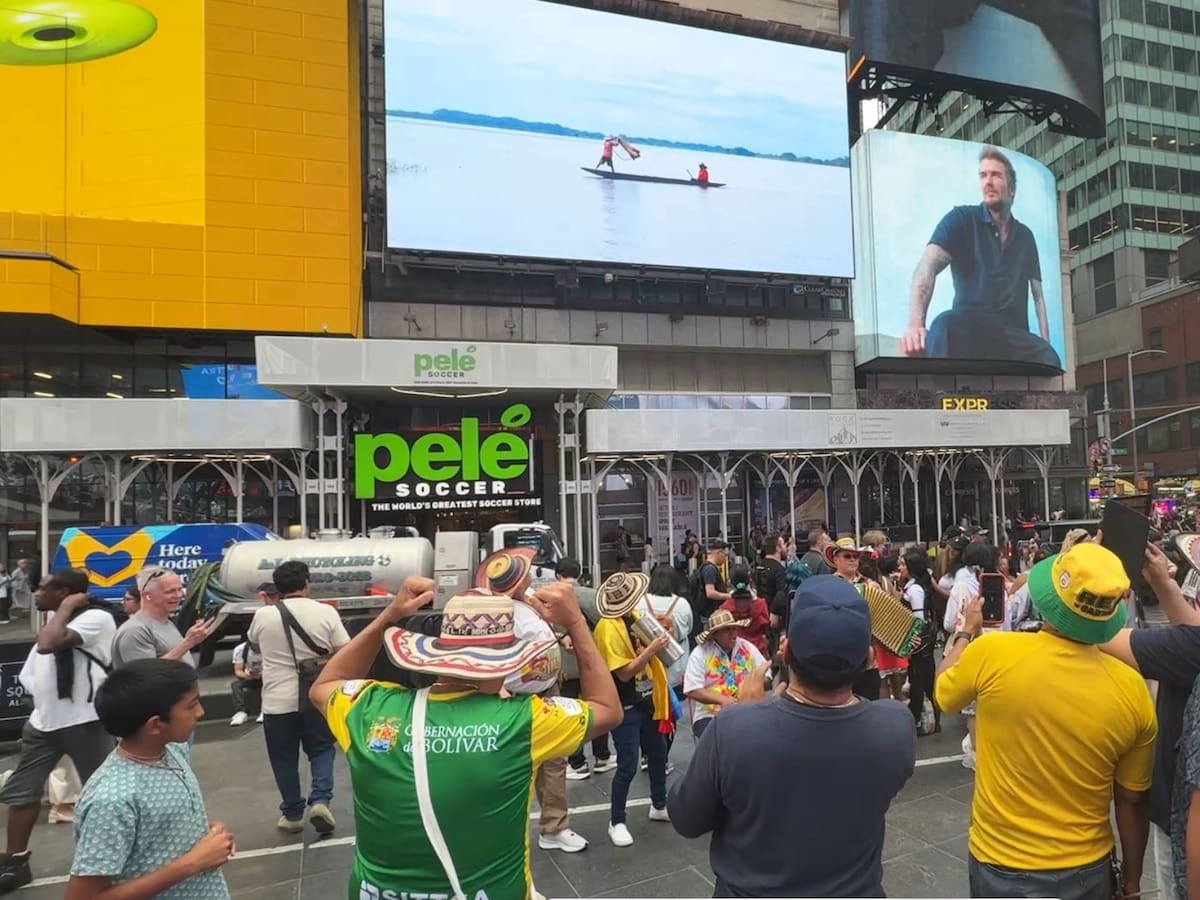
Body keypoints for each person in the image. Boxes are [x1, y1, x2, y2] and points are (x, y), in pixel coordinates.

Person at [310, 578, 621, 900]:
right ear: (506, 662)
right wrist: (575, 622)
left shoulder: (368, 708)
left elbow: (327, 683)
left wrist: (390, 615)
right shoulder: (523, 721)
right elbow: (607, 709)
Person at [669, 575, 915, 896]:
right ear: (868, 659)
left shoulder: (733, 730)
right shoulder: (895, 725)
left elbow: (687, 819)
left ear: (785, 652)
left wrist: (745, 715)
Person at [935, 542, 1155, 900]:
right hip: (1087, 866)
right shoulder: (1132, 689)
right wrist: (1132, 883)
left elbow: (945, 693)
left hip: (1000, 861)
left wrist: (965, 632)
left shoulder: (993, 653)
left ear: (1050, 598)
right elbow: (1131, 799)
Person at [66, 659, 233, 899]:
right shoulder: (112, 800)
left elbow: (157, 834)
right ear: (155, 724)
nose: (200, 712)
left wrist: (207, 835)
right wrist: (193, 862)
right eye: (191, 705)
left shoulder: (173, 751)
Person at [0, 569, 118, 893]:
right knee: (22, 793)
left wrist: (64, 609)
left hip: (86, 720)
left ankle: (112, 863)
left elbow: (48, 644)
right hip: (43, 723)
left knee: (106, 796)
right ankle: (16, 863)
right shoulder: (53, 619)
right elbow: (33, 667)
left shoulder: (96, 618)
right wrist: (41, 704)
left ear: (66, 593)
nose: (35, 593)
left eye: (43, 588)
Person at [900, 146, 1060, 369]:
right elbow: (927, 267)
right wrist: (915, 325)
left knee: (1049, 357)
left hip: (1012, 334)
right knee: (943, 326)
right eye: (983, 175)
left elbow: (1038, 296)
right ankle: (938, 398)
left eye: (996, 175)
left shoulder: (1025, 236)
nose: (988, 182)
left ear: (1011, 189)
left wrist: (1046, 342)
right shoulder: (961, 219)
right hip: (969, 326)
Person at [1100, 542, 1200, 892]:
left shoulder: (1189, 650)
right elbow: (1192, 632)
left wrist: (1089, 579)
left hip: (1182, 822)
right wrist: (1162, 583)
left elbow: (1100, 636)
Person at [484, 551, 588, 855]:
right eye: (526, 573)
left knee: (554, 760)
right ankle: (506, 831)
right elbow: (491, 653)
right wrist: (500, 689)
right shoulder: (500, 613)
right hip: (518, 696)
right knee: (516, 765)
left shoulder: (527, 603)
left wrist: (559, 639)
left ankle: (554, 827)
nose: (531, 576)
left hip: (546, 690)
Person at [248, 560, 348, 835]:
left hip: (277, 700)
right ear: (306, 584)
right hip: (316, 695)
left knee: (283, 757)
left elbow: (254, 645)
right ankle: (320, 800)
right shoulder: (325, 612)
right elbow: (345, 650)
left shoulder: (263, 616)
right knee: (322, 749)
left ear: (277, 588)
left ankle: (292, 814)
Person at [594, 572, 674, 847]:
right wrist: (651, 650)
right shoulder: (607, 628)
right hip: (624, 703)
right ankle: (616, 820)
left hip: (648, 699)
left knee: (658, 754)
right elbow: (624, 673)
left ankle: (659, 804)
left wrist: (664, 633)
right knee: (627, 764)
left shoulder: (635, 618)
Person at [556, 559, 614, 781]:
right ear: (579, 573)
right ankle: (603, 757)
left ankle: (577, 762)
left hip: (567, 667)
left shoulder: (551, 597)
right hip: (593, 664)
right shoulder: (593, 595)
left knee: (570, 712)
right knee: (598, 708)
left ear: (558, 575)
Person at [683, 609, 767, 742]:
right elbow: (693, 690)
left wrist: (750, 687)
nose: (733, 634)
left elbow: (766, 672)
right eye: (727, 630)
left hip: (746, 710)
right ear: (714, 634)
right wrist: (723, 700)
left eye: (734, 629)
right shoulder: (700, 653)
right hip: (710, 714)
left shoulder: (746, 647)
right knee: (724, 737)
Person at [111, 567, 215, 669]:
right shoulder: (135, 631)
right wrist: (188, 642)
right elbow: (146, 675)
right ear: (147, 595)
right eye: (170, 591)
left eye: (179, 589)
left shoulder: (166, 622)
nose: (178, 595)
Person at [229, 637, 263, 727]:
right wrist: (249, 676)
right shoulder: (241, 649)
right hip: (250, 677)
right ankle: (240, 712)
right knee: (236, 685)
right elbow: (238, 671)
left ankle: (265, 710)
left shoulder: (270, 647)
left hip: (267, 676)